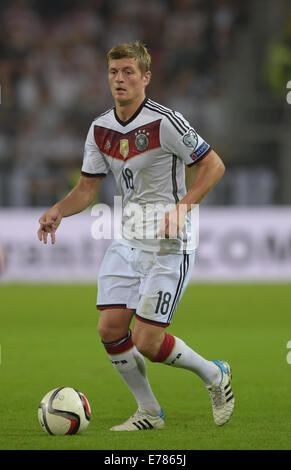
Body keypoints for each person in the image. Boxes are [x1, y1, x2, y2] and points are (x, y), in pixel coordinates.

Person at [37, 40, 234, 431]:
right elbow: (88, 189)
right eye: (114, 72)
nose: (120, 79)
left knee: (146, 340)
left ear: (146, 77)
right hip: (127, 241)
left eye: (129, 72)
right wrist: (58, 210)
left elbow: (213, 165)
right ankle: (149, 411)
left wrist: (183, 207)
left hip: (169, 244)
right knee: (110, 329)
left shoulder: (166, 122)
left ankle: (215, 375)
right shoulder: (99, 129)